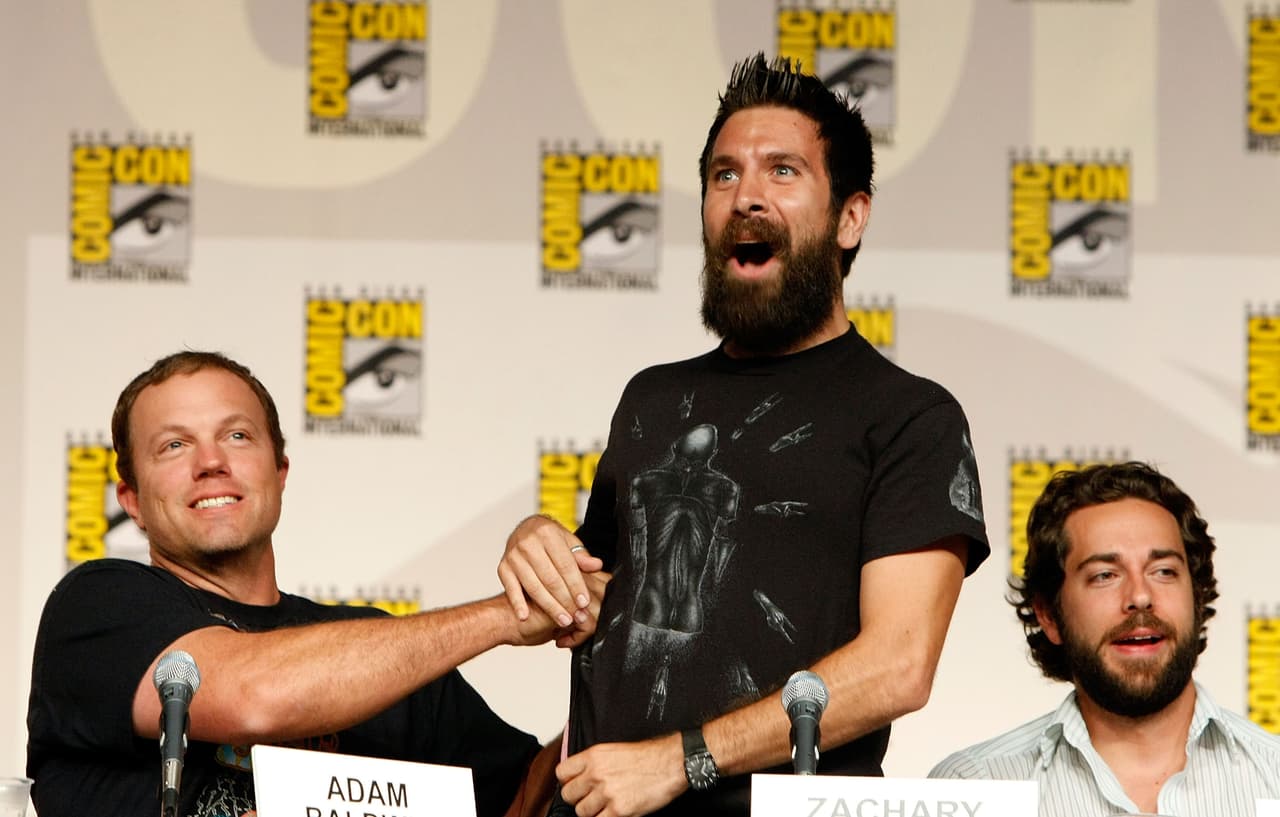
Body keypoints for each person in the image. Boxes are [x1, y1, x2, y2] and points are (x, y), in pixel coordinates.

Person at [499, 53, 991, 816]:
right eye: (724, 175)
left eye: (783, 171)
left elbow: (897, 665)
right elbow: (593, 600)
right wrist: (538, 540)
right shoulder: (650, 398)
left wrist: (680, 761)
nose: (746, 196)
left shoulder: (909, 417)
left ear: (851, 217)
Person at [26, 351, 605, 817]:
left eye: (237, 436)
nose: (210, 462)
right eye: (174, 445)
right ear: (130, 500)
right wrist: (507, 614)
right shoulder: (96, 608)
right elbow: (253, 696)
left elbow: (529, 797)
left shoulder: (381, 650)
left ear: (279, 472)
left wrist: (615, 632)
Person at [930, 462, 1280, 815]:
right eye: (1105, 575)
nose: (1140, 596)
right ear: (1049, 615)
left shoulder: (1274, 774)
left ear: (1197, 597)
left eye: (1163, 571)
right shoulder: (973, 788)